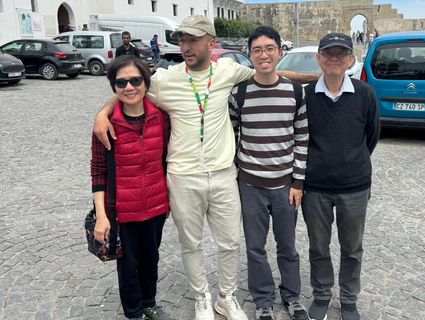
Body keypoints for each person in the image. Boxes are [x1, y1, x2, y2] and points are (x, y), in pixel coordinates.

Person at [93, 15, 318, 320]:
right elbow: (129, 88)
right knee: (191, 243)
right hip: (183, 177)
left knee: (229, 243)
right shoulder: (165, 79)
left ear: (211, 43)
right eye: (183, 39)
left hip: (225, 173)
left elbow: (270, 71)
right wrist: (103, 112)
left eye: (194, 40)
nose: (186, 46)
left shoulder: (229, 70)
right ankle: (202, 296)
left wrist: (324, 77)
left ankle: (226, 297)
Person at [228, 26, 309, 320]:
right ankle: (263, 300)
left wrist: (298, 182)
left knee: (288, 246)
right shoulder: (240, 93)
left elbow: (302, 140)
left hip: (285, 186)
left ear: (279, 52)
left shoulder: (295, 92)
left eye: (269, 48)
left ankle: (292, 296)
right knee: (255, 247)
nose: (263, 55)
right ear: (250, 55)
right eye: (257, 50)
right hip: (250, 185)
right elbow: (233, 136)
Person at [302, 33, 380, 320]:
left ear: (350, 59)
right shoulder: (306, 95)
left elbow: (371, 137)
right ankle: (322, 294)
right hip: (315, 187)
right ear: (319, 59)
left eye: (341, 53)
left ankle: (349, 299)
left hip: (355, 186)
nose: (334, 58)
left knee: (352, 248)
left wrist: (352, 162)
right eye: (328, 53)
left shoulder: (365, 94)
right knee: (318, 247)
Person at [90, 55, 171, 320]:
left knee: (151, 261)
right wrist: (101, 216)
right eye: (120, 82)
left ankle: (149, 303)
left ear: (146, 82)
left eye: (135, 80)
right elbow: (99, 171)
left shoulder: (162, 118)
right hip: (122, 210)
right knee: (127, 267)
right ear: (113, 86)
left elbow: (166, 159)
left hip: (156, 206)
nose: (129, 87)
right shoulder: (105, 126)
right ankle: (134, 313)